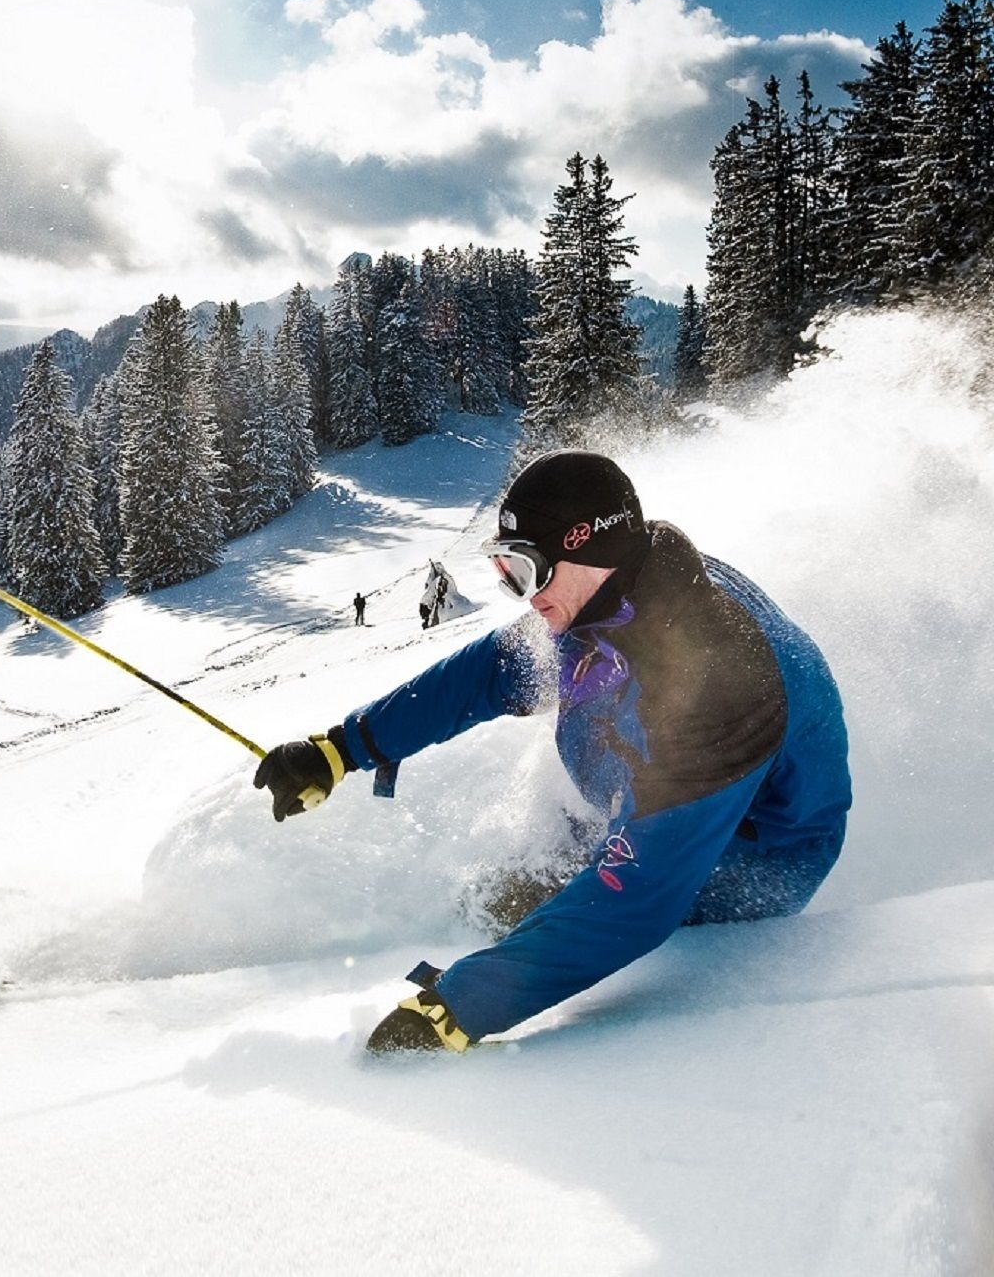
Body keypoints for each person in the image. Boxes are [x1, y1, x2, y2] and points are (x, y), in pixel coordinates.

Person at [253, 450, 852, 1054]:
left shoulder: (719, 686)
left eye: (527, 570)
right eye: (505, 570)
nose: (522, 595)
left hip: (740, 860)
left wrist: (458, 1007)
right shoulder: (608, 597)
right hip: (642, 801)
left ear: (589, 549)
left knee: (535, 915)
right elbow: (486, 673)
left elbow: (638, 901)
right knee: (496, 899)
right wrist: (341, 749)